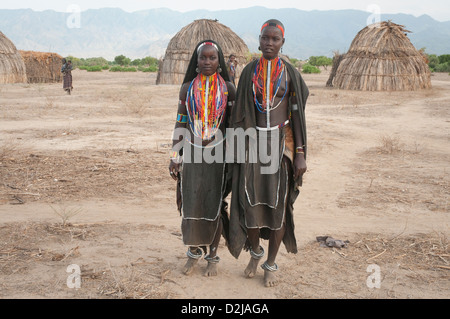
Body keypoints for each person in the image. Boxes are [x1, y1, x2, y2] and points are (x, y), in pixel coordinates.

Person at [227, 19, 309, 287]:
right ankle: (255, 251)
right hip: (252, 144)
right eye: (265, 38)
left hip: (280, 144)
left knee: (277, 207)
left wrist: (299, 152)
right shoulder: (250, 71)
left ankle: (271, 263)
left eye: (275, 39)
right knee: (248, 204)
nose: (269, 43)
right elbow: (239, 113)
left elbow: (297, 115)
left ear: (282, 43)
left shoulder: (290, 74)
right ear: (259, 39)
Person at [169, 40, 236, 277]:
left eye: (212, 58)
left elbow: (231, 125)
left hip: (219, 155)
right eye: (202, 58)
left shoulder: (228, 88)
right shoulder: (187, 88)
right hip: (192, 151)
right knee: (191, 204)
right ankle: (193, 253)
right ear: (196, 62)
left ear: (219, 63)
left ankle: (213, 257)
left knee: (214, 205)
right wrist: (175, 154)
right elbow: (181, 122)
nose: (207, 62)